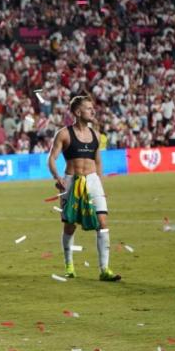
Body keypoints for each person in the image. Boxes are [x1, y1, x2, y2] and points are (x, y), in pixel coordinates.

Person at [47, 95, 121, 282]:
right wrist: (57, 178)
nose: (93, 111)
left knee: (102, 222)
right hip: (71, 181)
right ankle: (69, 265)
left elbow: (98, 161)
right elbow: (52, 158)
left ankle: (104, 269)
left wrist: (100, 184)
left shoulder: (96, 135)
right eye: (88, 108)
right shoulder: (64, 134)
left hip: (93, 181)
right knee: (70, 226)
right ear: (78, 112)